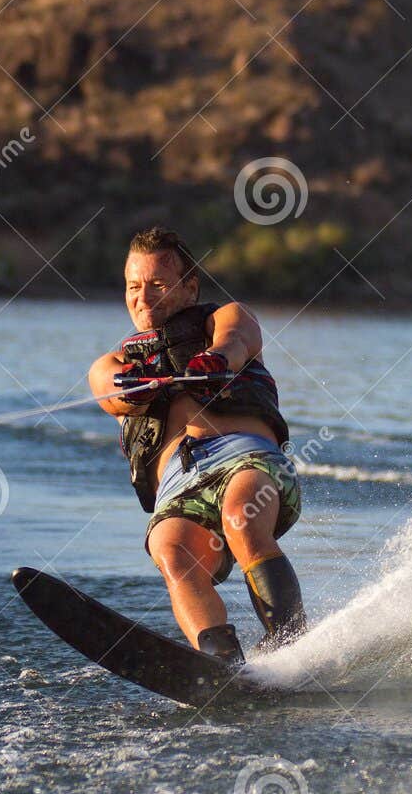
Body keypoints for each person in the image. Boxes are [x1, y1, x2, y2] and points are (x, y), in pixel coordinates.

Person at [87, 226, 306, 666]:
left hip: (246, 459)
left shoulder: (224, 319)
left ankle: (292, 646)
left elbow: (237, 339)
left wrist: (217, 358)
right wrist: (128, 388)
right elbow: (106, 389)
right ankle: (224, 667)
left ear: (190, 286)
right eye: (133, 287)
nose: (143, 298)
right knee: (170, 550)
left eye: (158, 285)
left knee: (240, 518)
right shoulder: (114, 362)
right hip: (177, 487)